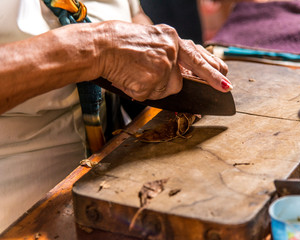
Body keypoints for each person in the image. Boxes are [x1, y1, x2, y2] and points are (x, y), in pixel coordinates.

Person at [0, 0, 232, 232]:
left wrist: (162, 54)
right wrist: (93, 49)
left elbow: (132, 13)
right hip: (23, 213)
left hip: (116, 174)